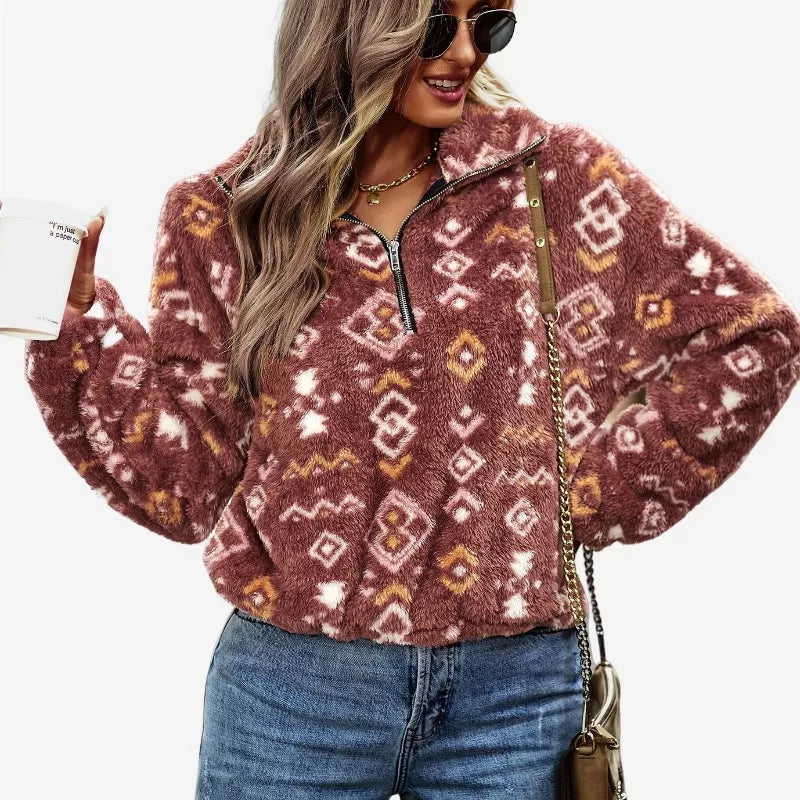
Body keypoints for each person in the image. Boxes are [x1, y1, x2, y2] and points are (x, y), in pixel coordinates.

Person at [20, 0, 800, 797]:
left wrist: (581, 498)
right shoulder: (225, 212)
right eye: (435, 26)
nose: (465, 52)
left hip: (514, 696)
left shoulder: (553, 178)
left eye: (487, 25)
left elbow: (750, 336)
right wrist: (78, 328)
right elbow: (186, 488)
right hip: (291, 694)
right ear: (349, 24)